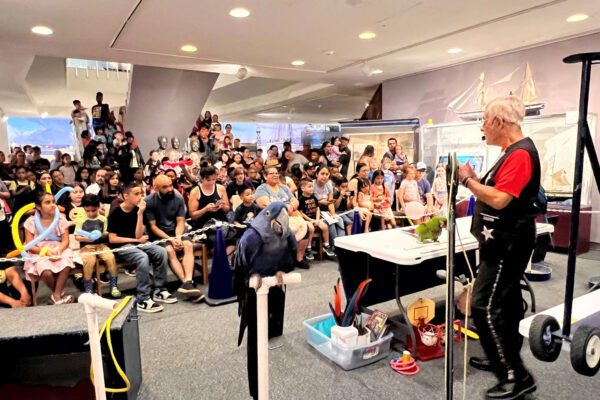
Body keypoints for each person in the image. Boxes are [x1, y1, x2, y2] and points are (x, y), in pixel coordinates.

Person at [459, 96, 540, 399]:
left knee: (484, 306)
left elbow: (499, 199)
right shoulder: (511, 153)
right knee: (504, 303)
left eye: (484, 120)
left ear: (497, 122)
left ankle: (515, 375)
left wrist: (468, 181)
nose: (482, 127)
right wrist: (478, 181)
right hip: (501, 241)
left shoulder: (519, 154)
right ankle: (502, 358)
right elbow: (499, 191)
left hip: (507, 243)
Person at [108, 183, 177, 313]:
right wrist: (135, 240)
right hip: (122, 246)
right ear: (126, 196)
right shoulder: (115, 212)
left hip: (137, 242)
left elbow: (139, 235)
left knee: (161, 251)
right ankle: (143, 298)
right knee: (142, 257)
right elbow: (113, 239)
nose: (140, 197)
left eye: (141, 193)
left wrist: (140, 214)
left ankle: (159, 290)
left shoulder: (139, 209)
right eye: (136, 194)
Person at [145, 175, 203, 300]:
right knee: (170, 251)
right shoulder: (149, 201)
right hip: (159, 233)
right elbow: (153, 227)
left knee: (188, 245)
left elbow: (180, 221)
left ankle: (187, 282)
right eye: (165, 187)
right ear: (156, 188)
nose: (170, 189)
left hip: (177, 231)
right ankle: (188, 286)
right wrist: (170, 240)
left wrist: (177, 237)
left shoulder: (178, 198)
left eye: (171, 185)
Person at [23, 191, 76, 304]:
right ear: (38, 206)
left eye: (53, 202)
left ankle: (56, 296)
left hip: (58, 247)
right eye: (47, 202)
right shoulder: (31, 222)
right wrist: (45, 252)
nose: (52, 205)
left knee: (66, 263)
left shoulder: (61, 219)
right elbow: (30, 245)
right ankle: (59, 295)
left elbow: (65, 240)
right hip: (39, 251)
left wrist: (59, 250)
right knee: (46, 272)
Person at [254, 166, 310, 269]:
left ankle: (299, 258)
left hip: (290, 215)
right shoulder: (261, 189)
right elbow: (266, 204)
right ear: (265, 176)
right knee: (282, 231)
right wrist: (285, 207)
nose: (275, 175)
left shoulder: (284, 187)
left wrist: (292, 206)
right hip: (272, 219)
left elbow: (295, 201)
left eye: (276, 173)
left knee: (307, 230)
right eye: (272, 173)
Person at [75, 194, 121, 298]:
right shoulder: (80, 220)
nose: (91, 213)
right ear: (84, 209)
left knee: (110, 257)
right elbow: (77, 236)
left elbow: (106, 232)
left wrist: (101, 234)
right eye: (88, 211)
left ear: (98, 207)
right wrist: (87, 238)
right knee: (89, 261)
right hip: (86, 247)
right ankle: (88, 286)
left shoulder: (103, 219)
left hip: (101, 245)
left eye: (94, 210)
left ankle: (113, 285)